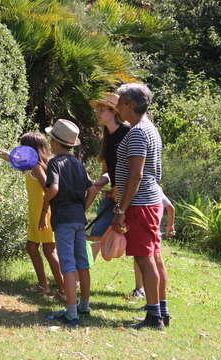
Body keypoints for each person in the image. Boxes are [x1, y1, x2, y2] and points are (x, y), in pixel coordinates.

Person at [0, 134, 66, 300]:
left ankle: (63, 290)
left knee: (49, 250)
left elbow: (49, 189)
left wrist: (44, 215)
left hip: (43, 214)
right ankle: (43, 286)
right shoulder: (30, 164)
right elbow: (8, 156)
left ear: (31, 149)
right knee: (32, 248)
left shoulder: (37, 167)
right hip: (36, 213)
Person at [112, 83, 171, 329]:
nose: (116, 107)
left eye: (120, 102)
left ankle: (154, 317)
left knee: (145, 259)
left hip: (141, 203)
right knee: (154, 257)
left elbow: (136, 176)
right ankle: (161, 311)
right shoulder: (149, 129)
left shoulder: (137, 133)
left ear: (131, 105)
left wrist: (121, 209)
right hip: (150, 200)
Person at [39, 119, 98, 327]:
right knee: (82, 262)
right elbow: (92, 188)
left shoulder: (55, 163)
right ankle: (84, 305)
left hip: (63, 219)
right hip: (79, 219)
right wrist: (83, 207)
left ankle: (71, 313)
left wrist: (46, 199)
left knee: (68, 264)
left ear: (54, 142)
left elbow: (53, 189)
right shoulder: (78, 163)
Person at [86, 93, 131, 264]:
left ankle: (140, 289)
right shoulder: (106, 136)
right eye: (97, 109)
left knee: (137, 243)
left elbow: (135, 169)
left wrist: (120, 189)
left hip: (130, 197)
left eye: (102, 109)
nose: (97, 113)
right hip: (113, 195)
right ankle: (80, 277)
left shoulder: (128, 133)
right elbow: (107, 169)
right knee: (96, 233)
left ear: (114, 112)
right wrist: (102, 182)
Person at [132, 191, 176, 299]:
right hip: (155, 233)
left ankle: (143, 292)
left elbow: (171, 207)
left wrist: (170, 226)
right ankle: (155, 301)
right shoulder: (156, 190)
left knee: (145, 261)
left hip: (149, 232)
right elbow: (170, 207)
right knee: (152, 262)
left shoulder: (151, 190)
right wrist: (170, 226)